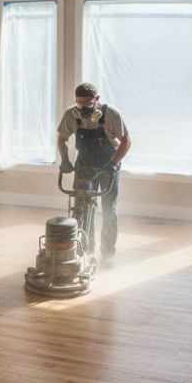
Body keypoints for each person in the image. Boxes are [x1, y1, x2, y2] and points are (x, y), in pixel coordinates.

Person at [57, 83, 131, 257]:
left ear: (97, 100)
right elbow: (62, 139)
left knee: (108, 208)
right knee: (81, 207)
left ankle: (107, 251)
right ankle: (85, 248)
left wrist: (113, 163)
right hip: (84, 166)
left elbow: (126, 141)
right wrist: (65, 160)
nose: (83, 108)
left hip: (108, 166)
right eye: (80, 103)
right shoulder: (71, 114)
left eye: (88, 104)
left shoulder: (111, 114)